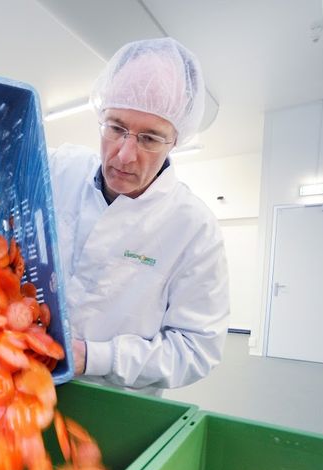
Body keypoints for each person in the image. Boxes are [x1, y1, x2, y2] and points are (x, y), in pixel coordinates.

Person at [49, 37, 229, 395]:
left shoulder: (194, 228)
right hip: (22, 379)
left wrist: (94, 357)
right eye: (116, 128)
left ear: (175, 141)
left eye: (149, 138)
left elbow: (196, 349)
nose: (124, 155)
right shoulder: (59, 169)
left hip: (115, 399)